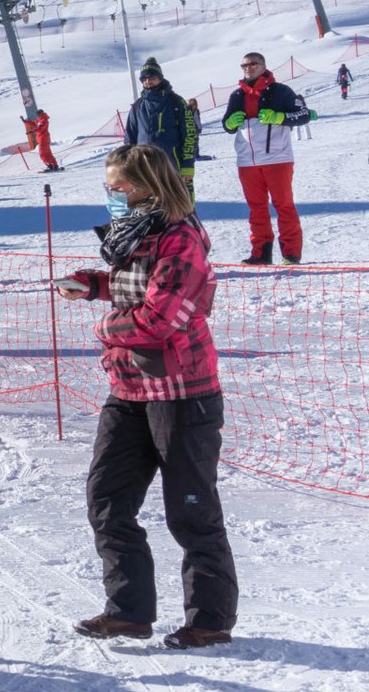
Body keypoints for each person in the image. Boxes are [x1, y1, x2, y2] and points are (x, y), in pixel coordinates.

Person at [57, 144, 237, 650]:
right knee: (108, 501)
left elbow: (161, 318)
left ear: (146, 188)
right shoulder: (137, 232)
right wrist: (93, 285)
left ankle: (210, 621)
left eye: (118, 187)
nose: (111, 195)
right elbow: (135, 289)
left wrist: (105, 325)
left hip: (182, 394)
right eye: (109, 187)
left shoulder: (181, 240)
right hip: (130, 389)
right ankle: (129, 612)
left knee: (191, 511)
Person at [223, 52, 311, 265]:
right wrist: (229, 123)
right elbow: (226, 124)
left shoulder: (281, 91)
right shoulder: (237, 95)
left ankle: (291, 254)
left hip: (277, 158)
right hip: (247, 161)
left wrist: (280, 117)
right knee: (256, 208)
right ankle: (260, 254)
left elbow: (303, 114)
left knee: (284, 205)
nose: (248, 68)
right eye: (244, 65)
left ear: (263, 66)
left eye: (253, 64)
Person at [122, 58, 197, 186]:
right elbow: (130, 139)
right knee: (149, 199)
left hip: (172, 166)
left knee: (180, 198)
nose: (148, 81)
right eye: (144, 79)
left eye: (151, 77)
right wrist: (130, 166)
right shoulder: (138, 106)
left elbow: (190, 134)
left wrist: (188, 165)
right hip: (145, 168)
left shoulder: (176, 102)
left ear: (160, 78)